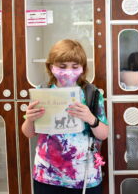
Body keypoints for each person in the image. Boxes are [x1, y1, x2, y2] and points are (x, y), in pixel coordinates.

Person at [21, 39, 109, 194]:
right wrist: (29, 118)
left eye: (75, 67)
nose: (68, 71)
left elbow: (103, 134)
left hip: (84, 177)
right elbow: (29, 133)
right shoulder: (42, 92)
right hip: (47, 176)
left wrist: (90, 118)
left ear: (82, 68)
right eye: (62, 66)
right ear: (51, 67)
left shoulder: (91, 93)